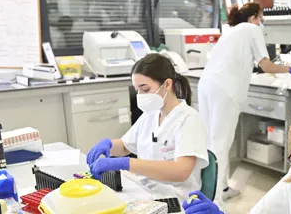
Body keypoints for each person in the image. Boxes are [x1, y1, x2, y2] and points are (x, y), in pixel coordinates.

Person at [198, 2, 291, 202]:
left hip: (207, 84)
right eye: (261, 18)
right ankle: (214, 199)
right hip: (225, 90)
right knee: (220, 143)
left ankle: (220, 187)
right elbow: (267, 65)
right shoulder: (252, 29)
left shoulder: (231, 31)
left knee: (210, 140)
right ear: (253, 17)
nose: (262, 23)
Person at [87, 53, 209, 198]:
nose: (141, 95)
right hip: (146, 191)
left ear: (167, 85)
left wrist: (126, 163)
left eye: (145, 89)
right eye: (137, 90)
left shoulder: (188, 120)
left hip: (176, 199)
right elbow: (126, 146)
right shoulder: (151, 115)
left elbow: (180, 171)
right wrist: (107, 145)